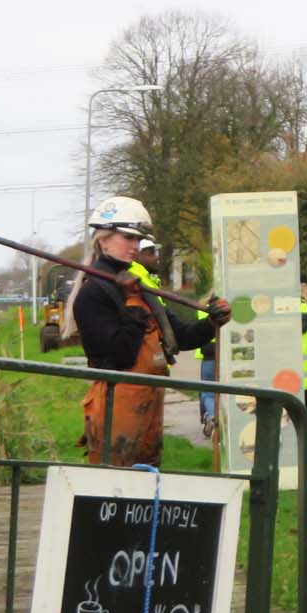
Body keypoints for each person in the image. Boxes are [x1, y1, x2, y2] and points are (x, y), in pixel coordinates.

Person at [73, 197, 228, 468]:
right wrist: (131, 304)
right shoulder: (93, 292)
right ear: (104, 239)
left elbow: (180, 336)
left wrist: (212, 323)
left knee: (145, 485)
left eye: (138, 239)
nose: (135, 246)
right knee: (112, 487)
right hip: (116, 405)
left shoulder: (138, 285)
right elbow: (118, 355)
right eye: (128, 238)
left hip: (150, 401)